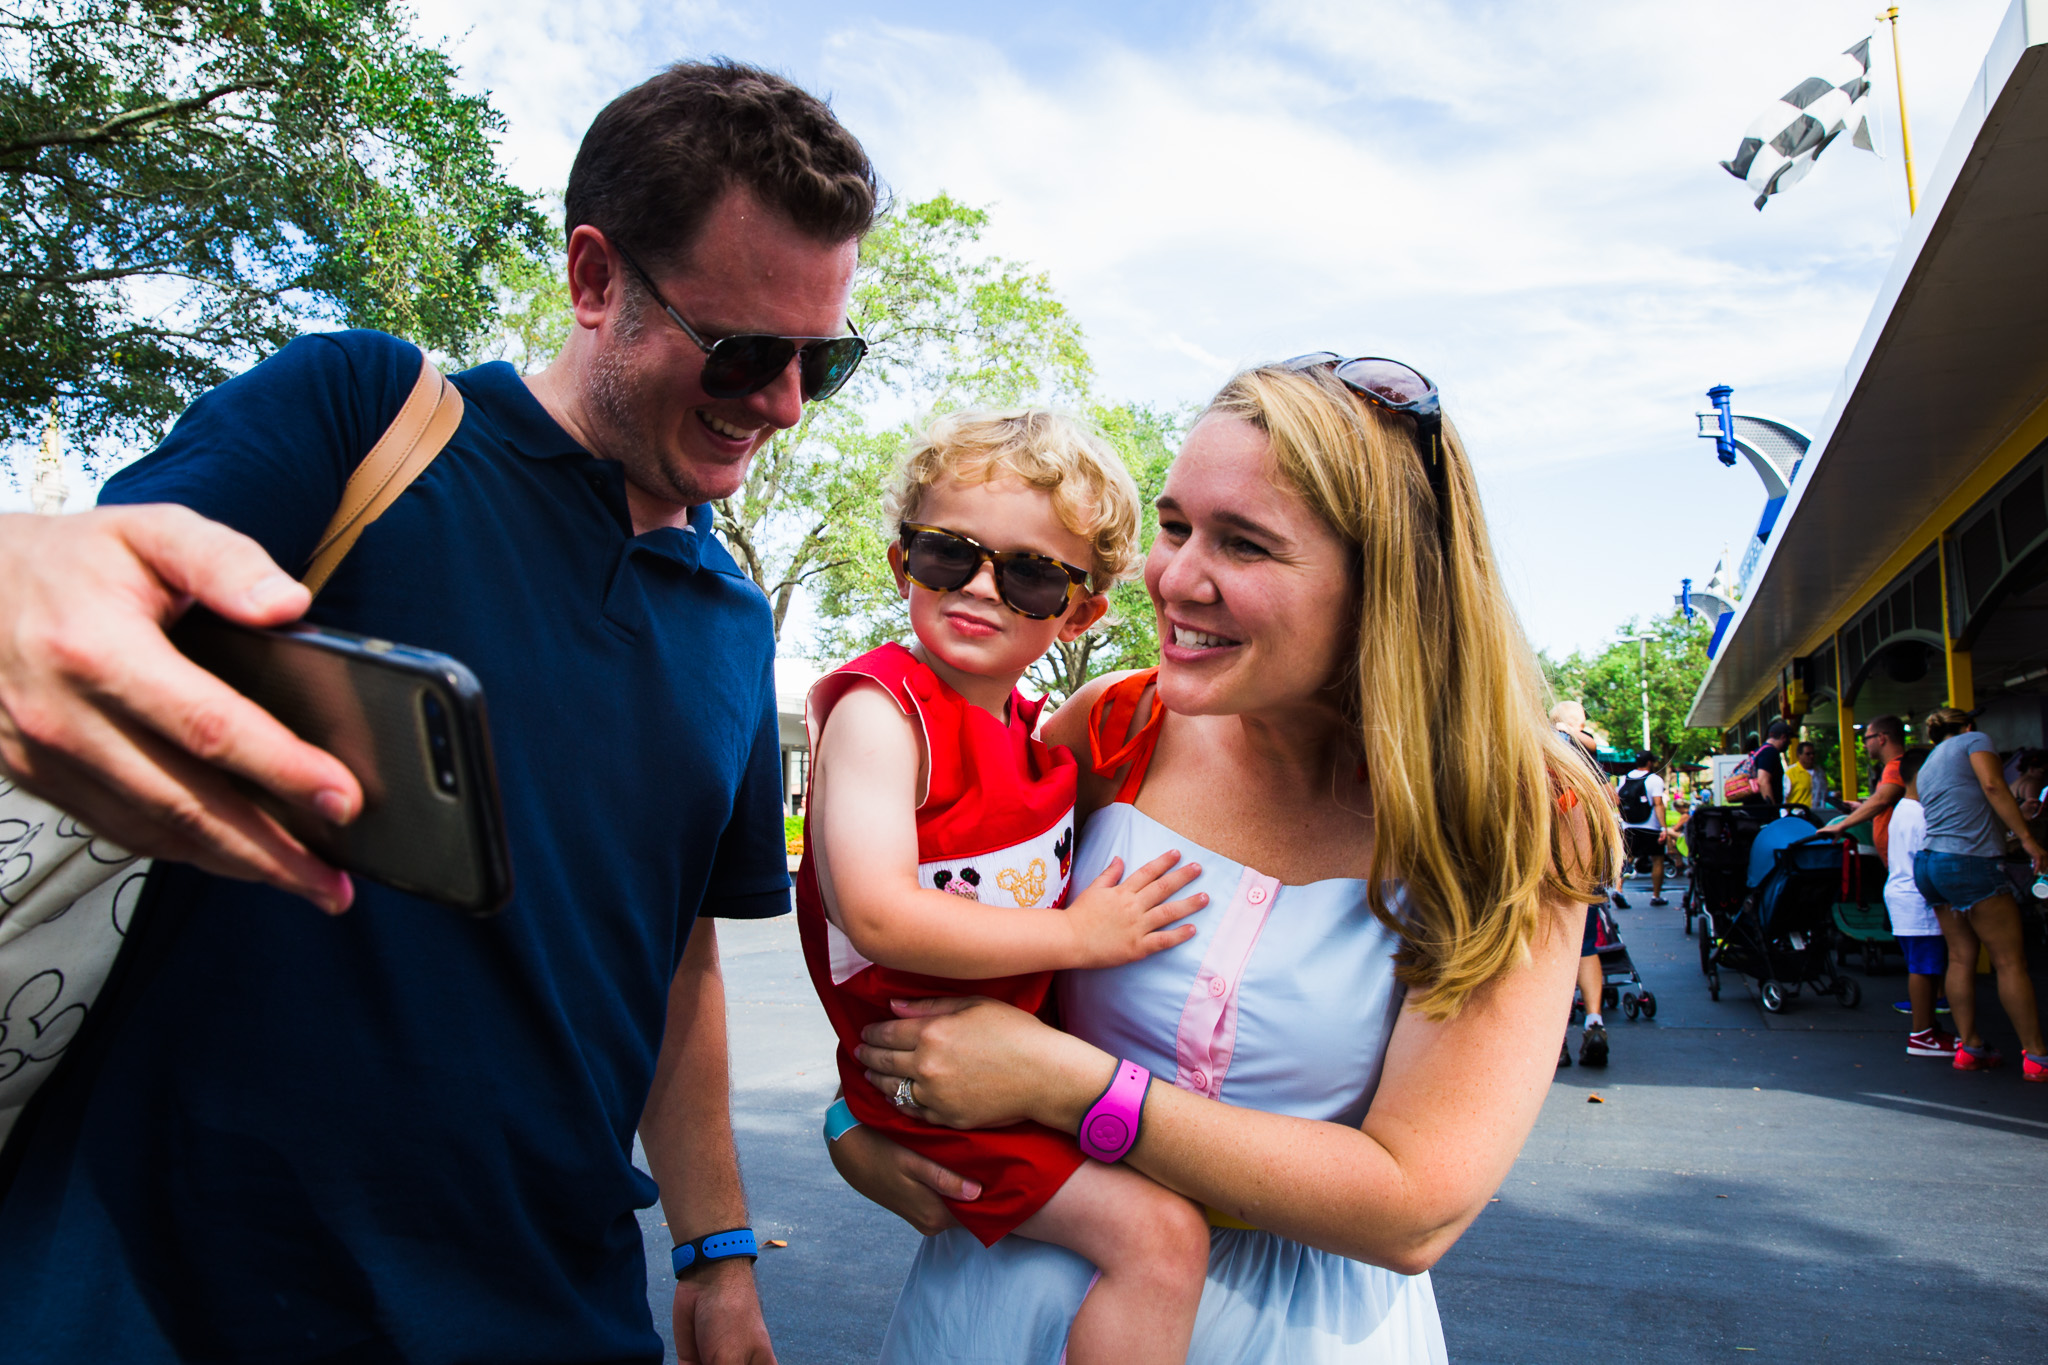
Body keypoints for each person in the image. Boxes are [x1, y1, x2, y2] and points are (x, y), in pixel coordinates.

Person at [0, 61, 879, 1361]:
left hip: (549, 1302)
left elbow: (683, 967)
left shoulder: (735, 624)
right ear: (595, 278)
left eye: (827, 359)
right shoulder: (361, 415)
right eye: (746, 352)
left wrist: (716, 1252)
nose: (785, 405)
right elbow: (100, 587)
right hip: (171, 1283)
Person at [828, 354, 1619, 1363]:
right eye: (1172, 527)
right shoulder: (1109, 730)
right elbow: (908, 927)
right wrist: (854, 1117)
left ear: (1386, 581)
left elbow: (1411, 1208)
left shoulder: (1516, 816)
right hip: (1004, 1309)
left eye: (1241, 544)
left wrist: (1064, 1084)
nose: (1172, 577)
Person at [796, 410, 1211, 1365]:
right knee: (1160, 1239)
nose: (982, 586)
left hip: (1003, 1072)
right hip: (930, 1072)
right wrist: (1082, 938)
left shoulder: (1034, 734)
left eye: (1028, 574)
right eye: (950, 554)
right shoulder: (881, 710)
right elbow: (877, 912)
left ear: (1078, 612)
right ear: (904, 565)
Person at [1911, 708, 2048, 1079]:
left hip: (1930, 863)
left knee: (1959, 957)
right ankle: (2037, 1056)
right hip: (1969, 862)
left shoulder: (1928, 764)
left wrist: (2013, 822)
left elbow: (1963, 810)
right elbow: (1992, 785)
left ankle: (1969, 1048)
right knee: (2009, 961)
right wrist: (2027, 839)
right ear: (1968, 726)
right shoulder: (1975, 740)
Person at [1551, 701, 1618, 1067]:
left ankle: (1554, 1036)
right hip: (1582, 866)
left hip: (1542, 866)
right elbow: (1612, 799)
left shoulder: (1539, 747)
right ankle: (1594, 1020)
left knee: (1546, 951)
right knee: (1586, 946)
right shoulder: (1587, 752)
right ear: (1581, 723)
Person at [1882, 748, 1955, 1058]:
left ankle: (1926, 1030)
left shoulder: (1904, 808)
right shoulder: (1922, 815)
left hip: (1906, 897)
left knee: (1924, 966)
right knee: (1924, 968)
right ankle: (1922, 1033)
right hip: (1918, 900)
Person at [1819, 714, 1908, 861]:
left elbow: (1881, 799)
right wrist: (1862, 808)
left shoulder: (1896, 767)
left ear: (1881, 738)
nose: (1864, 745)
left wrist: (1841, 825)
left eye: (1866, 739)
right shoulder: (1895, 767)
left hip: (1901, 861)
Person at [1616, 750, 1669, 908]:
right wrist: (1664, 827)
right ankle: (1656, 895)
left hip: (1629, 825)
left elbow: (1619, 801)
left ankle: (1618, 890)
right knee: (1657, 859)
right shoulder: (1654, 779)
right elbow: (1658, 804)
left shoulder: (1625, 778)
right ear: (1650, 763)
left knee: (1627, 859)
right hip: (1651, 826)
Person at [1738, 720, 1793, 814]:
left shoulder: (1759, 751)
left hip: (1753, 809)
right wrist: (1772, 811)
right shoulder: (1770, 752)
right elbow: (1763, 781)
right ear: (1783, 737)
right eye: (1789, 739)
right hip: (1761, 813)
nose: (1790, 743)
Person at [1785, 740, 1828, 810]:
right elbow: (1784, 797)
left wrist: (1832, 794)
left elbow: (1823, 792)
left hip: (1818, 813)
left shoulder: (1819, 772)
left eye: (1813, 754)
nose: (1811, 756)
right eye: (1808, 754)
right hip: (1798, 814)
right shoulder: (1790, 772)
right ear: (1799, 755)